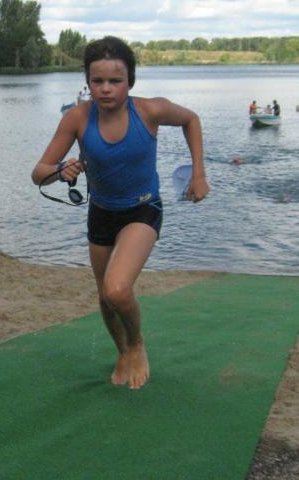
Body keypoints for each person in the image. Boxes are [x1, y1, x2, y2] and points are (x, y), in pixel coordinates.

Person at [32, 36, 209, 390]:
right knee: (105, 297)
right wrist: (60, 171)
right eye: (97, 81)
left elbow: (191, 119)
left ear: (131, 81)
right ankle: (123, 351)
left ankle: (137, 344)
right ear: (88, 82)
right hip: (101, 213)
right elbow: (39, 173)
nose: (106, 89)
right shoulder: (77, 119)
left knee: (116, 289)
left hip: (142, 208)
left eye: (116, 80)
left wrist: (198, 174)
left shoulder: (150, 111)